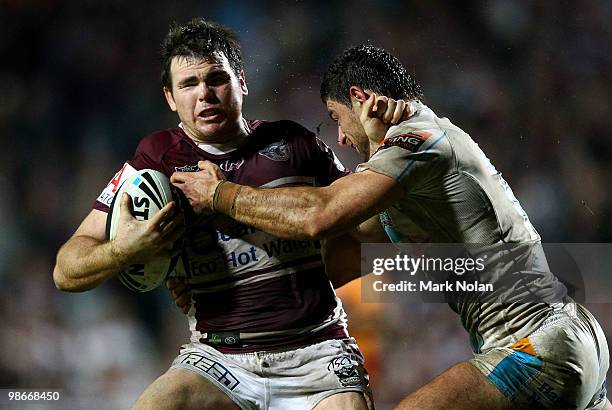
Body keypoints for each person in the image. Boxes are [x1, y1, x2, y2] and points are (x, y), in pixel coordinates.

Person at [170, 45, 611, 409]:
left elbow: (319, 215)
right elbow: (337, 259)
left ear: (360, 97)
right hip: (566, 340)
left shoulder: (417, 138)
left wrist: (221, 196)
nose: (340, 138)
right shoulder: (412, 167)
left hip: (536, 343)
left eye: (337, 118)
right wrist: (212, 283)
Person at [53, 19, 374, 410]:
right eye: (189, 85)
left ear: (241, 81)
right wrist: (125, 249)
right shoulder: (157, 160)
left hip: (318, 353)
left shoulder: (296, 144)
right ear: (170, 98)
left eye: (216, 79)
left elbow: (361, 232)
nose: (204, 94)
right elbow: (66, 270)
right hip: (218, 359)